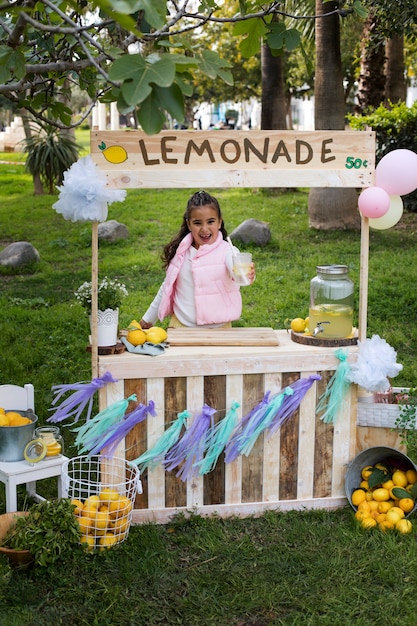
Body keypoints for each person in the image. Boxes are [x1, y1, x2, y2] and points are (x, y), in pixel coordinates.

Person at [139, 190, 255, 329]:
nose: (204, 229)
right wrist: (147, 319)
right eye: (197, 223)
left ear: (219, 222)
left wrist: (243, 274)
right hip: (181, 326)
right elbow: (167, 286)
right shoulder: (181, 252)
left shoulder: (228, 251)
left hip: (220, 330)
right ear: (189, 224)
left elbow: (235, 269)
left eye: (210, 221)